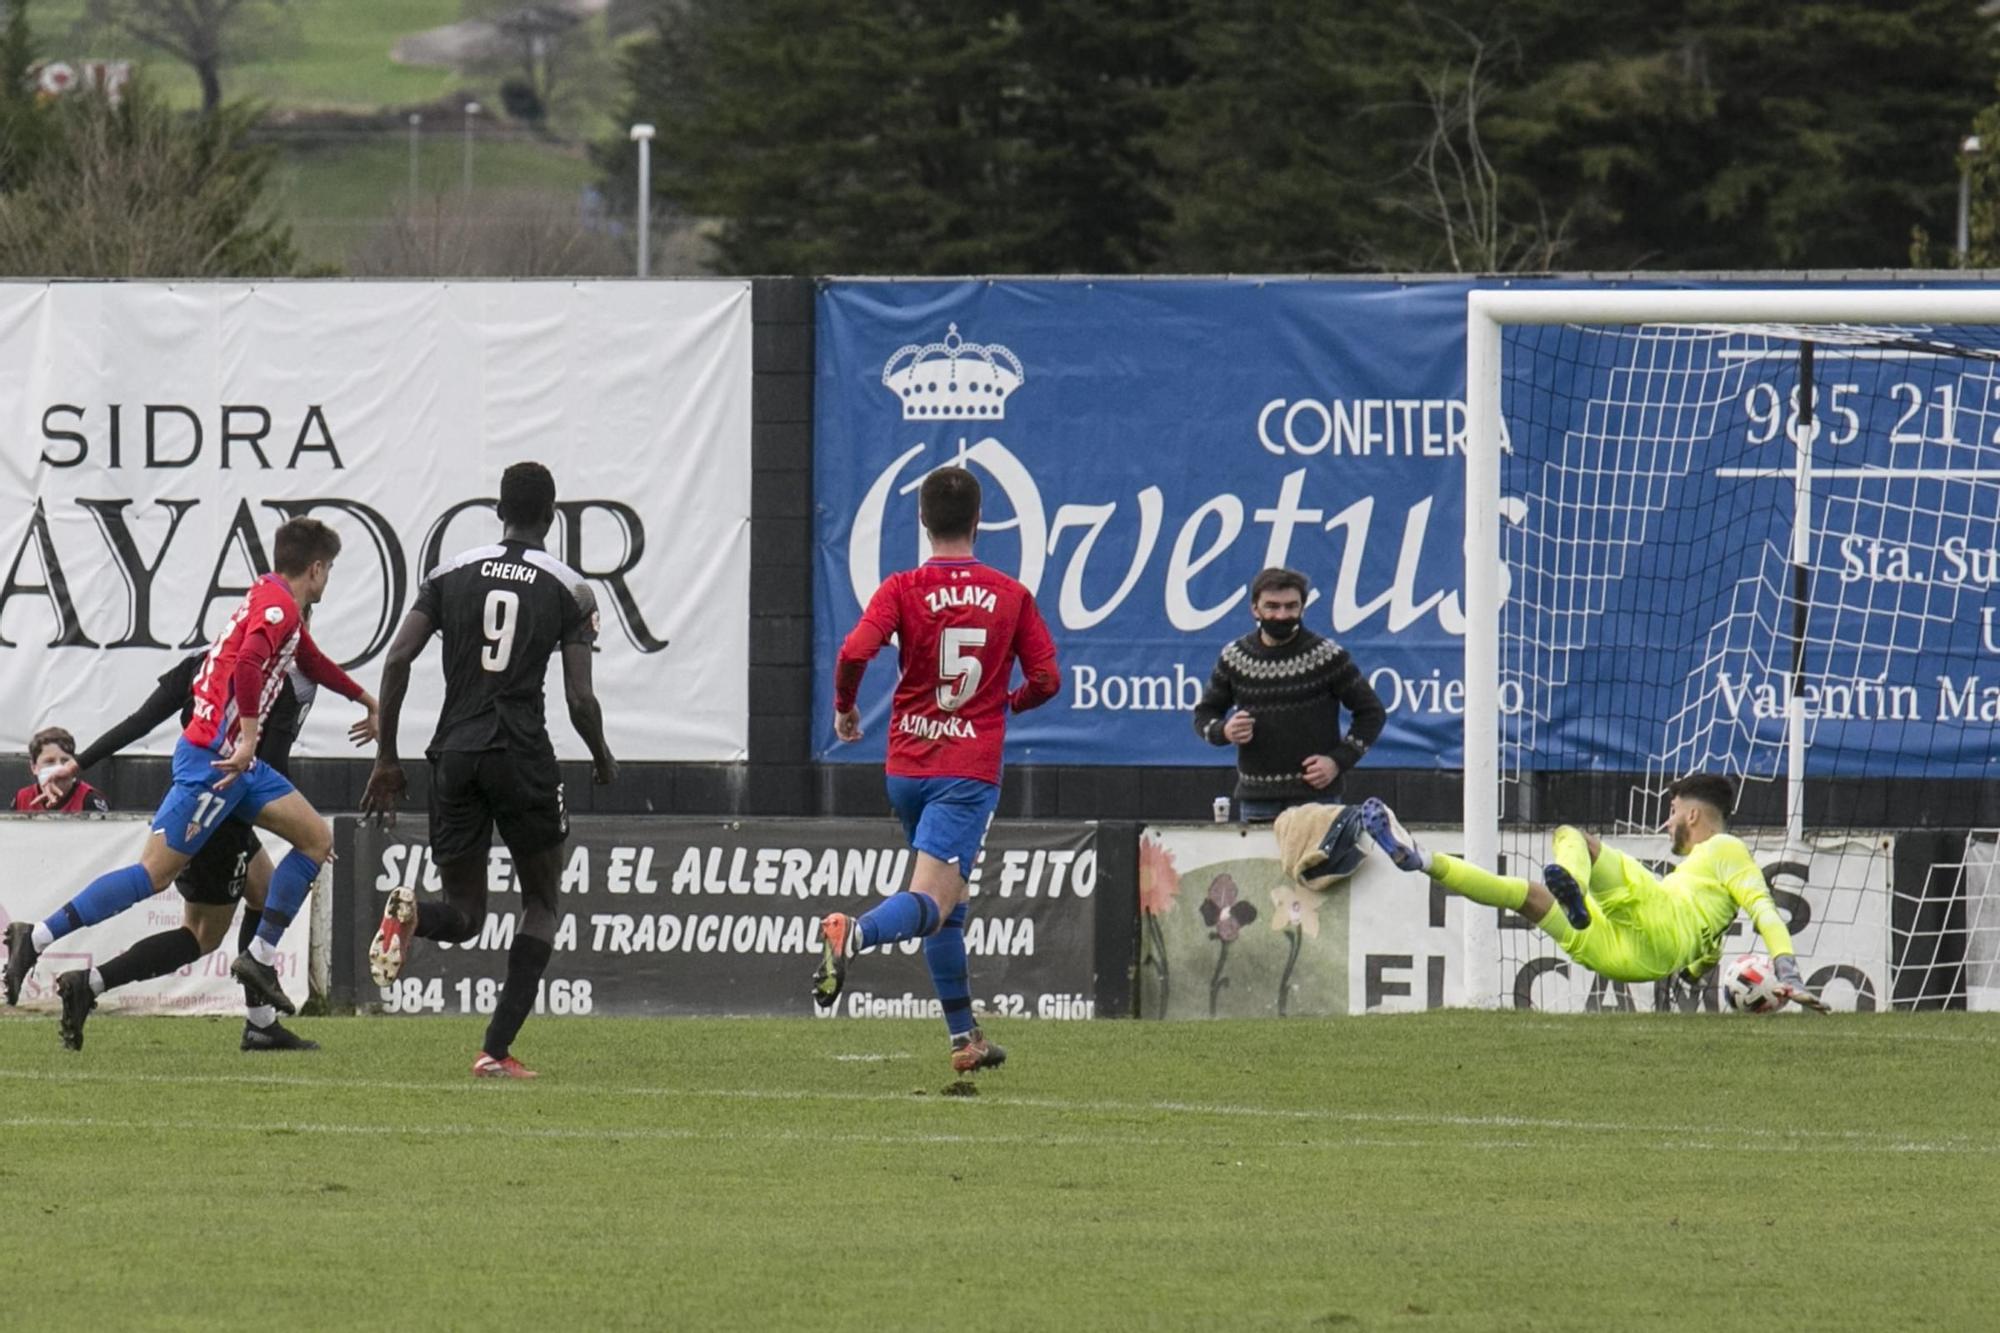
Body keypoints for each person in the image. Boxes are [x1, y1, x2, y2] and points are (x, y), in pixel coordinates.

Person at [3, 518, 380, 1036]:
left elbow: (306, 659)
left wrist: (365, 699)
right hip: (216, 767)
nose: (328, 580)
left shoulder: (269, 608)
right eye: (329, 570)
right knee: (158, 883)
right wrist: (248, 736)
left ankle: (259, 982)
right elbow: (248, 663)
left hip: (240, 771)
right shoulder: (279, 611)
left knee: (313, 840)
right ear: (316, 570)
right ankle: (40, 938)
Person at [360, 461, 617, 1080]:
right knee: (541, 902)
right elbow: (580, 699)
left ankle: (413, 915)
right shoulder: (571, 588)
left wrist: (387, 755)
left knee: (465, 913)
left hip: (454, 753)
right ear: (551, 516)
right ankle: (494, 1051)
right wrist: (603, 755)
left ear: (498, 511)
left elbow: (398, 659)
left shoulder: (449, 573)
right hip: (521, 752)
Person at [817, 465, 1061, 1073]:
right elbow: (1047, 679)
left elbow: (853, 651)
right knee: (933, 894)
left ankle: (964, 1038)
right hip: (966, 768)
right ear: (980, 521)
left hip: (906, 765)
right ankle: (857, 933)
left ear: (922, 521)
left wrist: (845, 709)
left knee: (948, 903)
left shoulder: (901, 587)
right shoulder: (1010, 595)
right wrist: (1008, 702)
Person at [1355, 775, 1829, 1011]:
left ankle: (1575, 889)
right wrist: (1703, 970)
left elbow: (1764, 909)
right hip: (1635, 961)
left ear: (1690, 815)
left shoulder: (1725, 847)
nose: (1666, 821)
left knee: (1573, 837)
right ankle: (1420, 858)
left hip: (1653, 921)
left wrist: (1786, 966)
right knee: (1529, 897)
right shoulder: (1712, 901)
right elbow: (1699, 964)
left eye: (1672, 810)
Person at [1191, 567, 1385, 822]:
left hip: (1317, 799)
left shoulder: (1326, 656)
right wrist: (1224, 731)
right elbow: (1204, 714)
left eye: (1290, 607)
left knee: (1321, 864)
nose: (1281, 615)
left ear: (1302, 608)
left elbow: (1372, 712)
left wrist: (1337, 762)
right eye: (1272, 606)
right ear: (1255, 609)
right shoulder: (1234, 657)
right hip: (1256, 799)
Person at [14, 727, 109, 814]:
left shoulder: (89, 799)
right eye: (49, 761)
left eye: (65, 761)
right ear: (34, 767)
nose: (58, 767)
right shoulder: (22, 798)